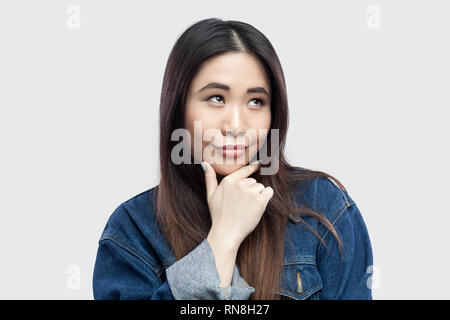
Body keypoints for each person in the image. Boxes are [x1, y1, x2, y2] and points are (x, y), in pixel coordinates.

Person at [92, 18, 373, 300]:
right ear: (179, 108)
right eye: (216, 98)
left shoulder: (324, 207)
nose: (236, 125)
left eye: (256, 101)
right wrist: (222, 240)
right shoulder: (133, 230)